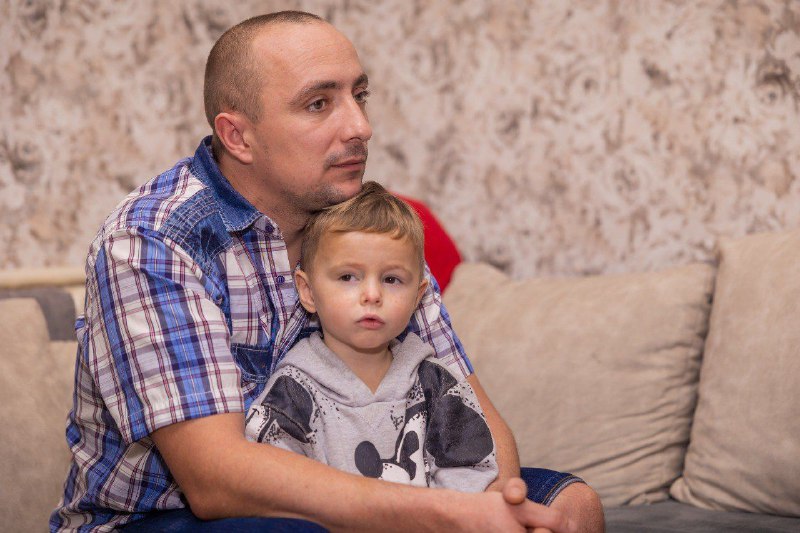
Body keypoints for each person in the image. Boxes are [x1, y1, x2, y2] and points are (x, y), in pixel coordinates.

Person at [51, 10, 604, 532]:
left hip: (375, 477)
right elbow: (215, 481)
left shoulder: (363, 225)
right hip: (164, 518)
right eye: (319, 104)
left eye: (359, 96)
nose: (360, 126)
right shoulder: (152, 241)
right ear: (238, 136)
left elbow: (472, 411)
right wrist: (447, 515)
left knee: (572, 505)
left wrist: (496, 503)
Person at [246, 181, 499, 492]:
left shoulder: (436, 384)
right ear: (308, 291)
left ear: (417, 296)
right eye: (348, 277)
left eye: (391, 279)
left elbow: (470, 471)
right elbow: (274, 486)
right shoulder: (291, 392)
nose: (372, 295)